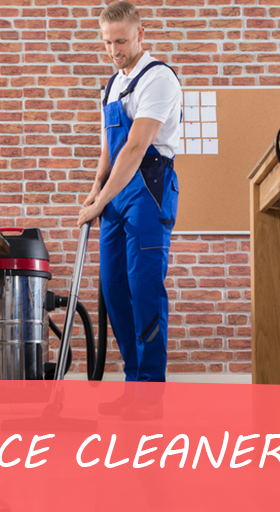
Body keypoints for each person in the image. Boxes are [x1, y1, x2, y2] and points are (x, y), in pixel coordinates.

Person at [76, 1, 182, 420]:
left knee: (143, 289)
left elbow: (137, 147)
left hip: (149, 190)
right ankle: (133, 382)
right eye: (107, 43)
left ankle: (150, 394)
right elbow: (110, 147)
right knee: (115, 291)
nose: (114, 50)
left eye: (121, 41)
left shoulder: (158, 79)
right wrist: (94, 190)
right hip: (117, 192)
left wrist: (102, 200)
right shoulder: (112, 85)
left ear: (140, 34)